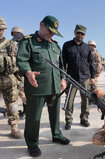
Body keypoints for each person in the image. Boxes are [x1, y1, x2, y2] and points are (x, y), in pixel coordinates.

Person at [17, 15, 70, 157]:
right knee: (34, 118)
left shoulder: (55, 45)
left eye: (54, 32)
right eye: (50, 31)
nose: (51, 34)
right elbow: (22, 60)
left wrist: (63, 79)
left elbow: (61, 66)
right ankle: (32, 143)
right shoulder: (28, 42)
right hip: (36, 87)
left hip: (55, 86)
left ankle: (57, 134)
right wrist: (28, 72)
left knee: (55, 113)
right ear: (42, 25)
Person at [62, 24, 95, 130]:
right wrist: (63, 77)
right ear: (74, 32)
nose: (80, 35)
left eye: (82, 33)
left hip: (85, 78)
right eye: (78, 33)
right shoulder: (67, 45)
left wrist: (93, 76)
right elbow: (62, 62)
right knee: (69, 100)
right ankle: (68, 120)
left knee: (85, 100)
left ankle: (84, 119)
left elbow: (91, 63)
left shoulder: (87, 47)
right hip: (72, 78)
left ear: (85, 35)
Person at [0, 16, 23, 139]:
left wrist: (20, 84)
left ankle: (14, 127)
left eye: (1, 29)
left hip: (8, 79)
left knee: (13, 105)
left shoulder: (10, 45)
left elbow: (17, 64)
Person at [11, 26, 27, 119]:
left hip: (23, 74)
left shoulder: (25, 44)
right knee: (17, 94)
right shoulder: (15, 45)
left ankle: (27, 112)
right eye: (13, 34)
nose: (15, 36)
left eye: (16, 34)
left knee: (23, 94)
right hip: (16, 73)